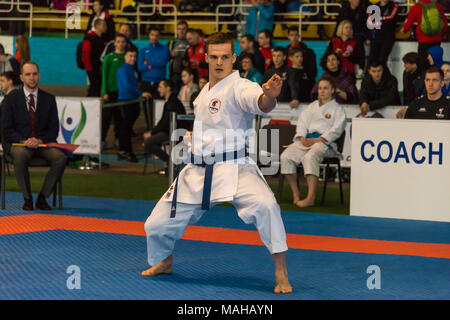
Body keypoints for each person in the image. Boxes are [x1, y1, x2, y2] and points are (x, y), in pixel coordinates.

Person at [141, 32, 292, 294]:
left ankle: (281, 272)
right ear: (206, 57)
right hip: (198, 170)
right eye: (214, 57)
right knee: (155, 225)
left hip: (235, 167)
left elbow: (260, 103)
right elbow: (211, 125)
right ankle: (164, 261)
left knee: (267, 206)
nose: (219, 62)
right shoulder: (203, 92)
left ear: (234, 58)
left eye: (225, 57)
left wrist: (269, 96)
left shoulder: (241, 86)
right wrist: (194, 138)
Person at [1, 61, 67, 211]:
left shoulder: (49, 99)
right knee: (21, 155)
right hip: (18, 144)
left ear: (39, 76)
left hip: (42, 143)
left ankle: (42, 198)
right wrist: (24, 140)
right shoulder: (10, 99)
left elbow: (54, 129)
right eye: (28, 74)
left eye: (34, 74)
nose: (32, 78)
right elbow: (5, 128)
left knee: (61, 158)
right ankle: (27, 199)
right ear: (21, 77)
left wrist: (39, 140)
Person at [280, 76, 346, 207]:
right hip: (307, 140)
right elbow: (302, 123)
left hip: (325, 143)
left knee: (310, 157)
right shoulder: (311, 107)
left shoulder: (337, 109)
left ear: (332, 90)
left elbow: (338, 129)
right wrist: (302, 137)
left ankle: (310, 198)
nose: (322, 91)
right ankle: (296, 195)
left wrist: (319, 139)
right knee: (286, 156)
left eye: (325, 88)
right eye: (320, 88)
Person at [116, 48, 151, 162]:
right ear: (125, 57)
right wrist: (141, 93)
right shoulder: (123, 69)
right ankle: (127, 151)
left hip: (132, 100)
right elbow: (127, 86)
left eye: (134, 56)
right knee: (126, 127)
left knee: (126, 127)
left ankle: (123, 150)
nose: (133, 58)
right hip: (126, 101)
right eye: (130, 56)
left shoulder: (133, 70)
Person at [142, 79, 187, 166]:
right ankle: (170, 162)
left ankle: (169, 162)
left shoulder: (172, 103)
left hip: (174, 132)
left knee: (148, 143)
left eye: (160, 87)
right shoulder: (171, 102)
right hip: (171, 131)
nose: (158, 89)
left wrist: (151, 133)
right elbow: (163, 122)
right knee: (150, 142)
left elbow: (165, 123)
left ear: (168, 88)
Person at [401, 0, 447, 70]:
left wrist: (403, 30)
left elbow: (408, 23)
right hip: (436, 40)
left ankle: (425, 79)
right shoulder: (437, 5)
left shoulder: (416, 7)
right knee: (436, 63)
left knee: (423, 65)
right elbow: (444, 24)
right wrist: (440, 34)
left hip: (423, 40)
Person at [101, 33, 127, 150]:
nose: (120, 44)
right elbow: (104, 76)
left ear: (125, 43)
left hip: (122, 93)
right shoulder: (109, 57)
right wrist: (105, 92)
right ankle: (102, 140)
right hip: (110, 92)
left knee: (120, 118)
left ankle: (118, 139)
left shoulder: (128, 58)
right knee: (106, 118)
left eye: (123, 42)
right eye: (118, 41)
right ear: (115, 43)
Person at [138, 27, 171, 99]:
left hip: (159, 83)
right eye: (152, 35)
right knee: (146, 108)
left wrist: (148, 62)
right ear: (149, 35)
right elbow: (140, 67)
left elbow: (162, 63)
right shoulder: (143, 50)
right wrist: (151, 66)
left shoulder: (165, 49)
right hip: (145, 82)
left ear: (159, 37)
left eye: (156, 35)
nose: (154, 37)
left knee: (159, 107)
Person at [367, 0, 399, 67]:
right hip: (376, 36)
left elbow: (391, 19)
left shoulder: (394, 6)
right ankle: (370, 76)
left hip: (388, 36)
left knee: (382, 60)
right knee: (372, 60)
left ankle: (384, 77)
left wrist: (377, 21)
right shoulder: (374, 6)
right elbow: (370, 23)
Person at [82, 18, 107, 97]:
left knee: (97, 88)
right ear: (97, 26)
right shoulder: (89, 38)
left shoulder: (101, 39)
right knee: (93, 88)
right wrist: (89, 69)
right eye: (103, 25)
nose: (106, 27)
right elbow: (85, 55)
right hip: (92, 69)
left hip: (98, 68)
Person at [169, 20, 190, 93]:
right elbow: (165, 57)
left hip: (188, 75)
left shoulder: (190, 42)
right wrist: (171, 55)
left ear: (187, 30)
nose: (181, 31)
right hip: (175, 74)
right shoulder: (172, 42)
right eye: (179, 29)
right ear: (177, 30)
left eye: (183, 29)